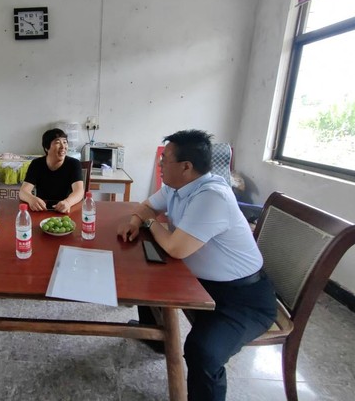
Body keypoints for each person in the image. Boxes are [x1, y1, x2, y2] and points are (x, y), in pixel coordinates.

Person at [117, 129, 276, 401]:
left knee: (202, 351)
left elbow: (175, 248)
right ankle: (156, 337)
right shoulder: (177, 186)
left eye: (165, 159)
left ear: (186, 167)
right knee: (148, 272)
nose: (160, 164)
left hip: (241, 298)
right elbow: (146, 206)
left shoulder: (212, 196)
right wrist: (135, 221)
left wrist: (150, 222)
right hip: (200, 282)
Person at [19, 128, 84, 213]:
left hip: (66, 210)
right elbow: (23, 191)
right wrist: (31, 199)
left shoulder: (74, 164)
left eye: (65, 142)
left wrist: (68, 202)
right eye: (57, 142)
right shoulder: (37, 164)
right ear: (46, 148)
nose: (63, 147)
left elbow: (79, 191)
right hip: (42, 210)